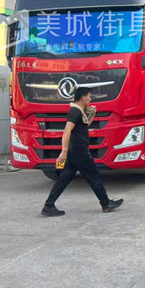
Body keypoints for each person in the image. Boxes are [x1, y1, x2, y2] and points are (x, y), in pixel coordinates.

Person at [41, 87, 123, 216]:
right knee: (94, 176)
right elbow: (67, 131)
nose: (90, 99)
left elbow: (83, 127)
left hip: (75, 152)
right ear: (83, 97)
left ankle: (48, 205)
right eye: (89, 96)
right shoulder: (75, 111)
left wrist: (92, 115)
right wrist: (64, 151)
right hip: (79, 152)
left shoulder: (79, 111)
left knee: (64, 178)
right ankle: (106, 203)